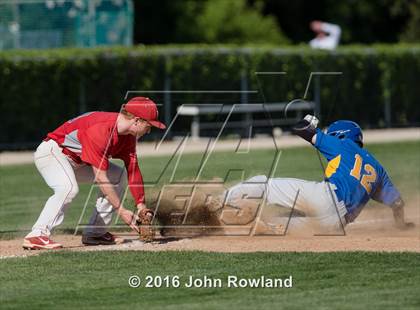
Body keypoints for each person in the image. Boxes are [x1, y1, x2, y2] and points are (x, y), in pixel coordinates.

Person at [213, 115, 414, 234]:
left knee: (264, 185)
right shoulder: (377, 169)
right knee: (280, 222)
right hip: (335, 225)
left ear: (340, 135)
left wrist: (309, 121)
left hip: (327, 198)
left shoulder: (342, 144)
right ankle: (236, 225)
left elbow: (301, 129)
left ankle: (216, 203)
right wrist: (401, 224)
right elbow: (397, 203)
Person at [23, 97, 165, 250]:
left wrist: (141, 205)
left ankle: (95, 233)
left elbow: (133, 169)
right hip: (53, 153)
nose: (149, 130)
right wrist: (121, 210)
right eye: (148, 125)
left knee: (117, 176)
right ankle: (37, 234)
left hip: (78, 161)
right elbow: (101, 178)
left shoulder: (128, 137)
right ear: (137, 120)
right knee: (68, 188)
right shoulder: (100, 130)